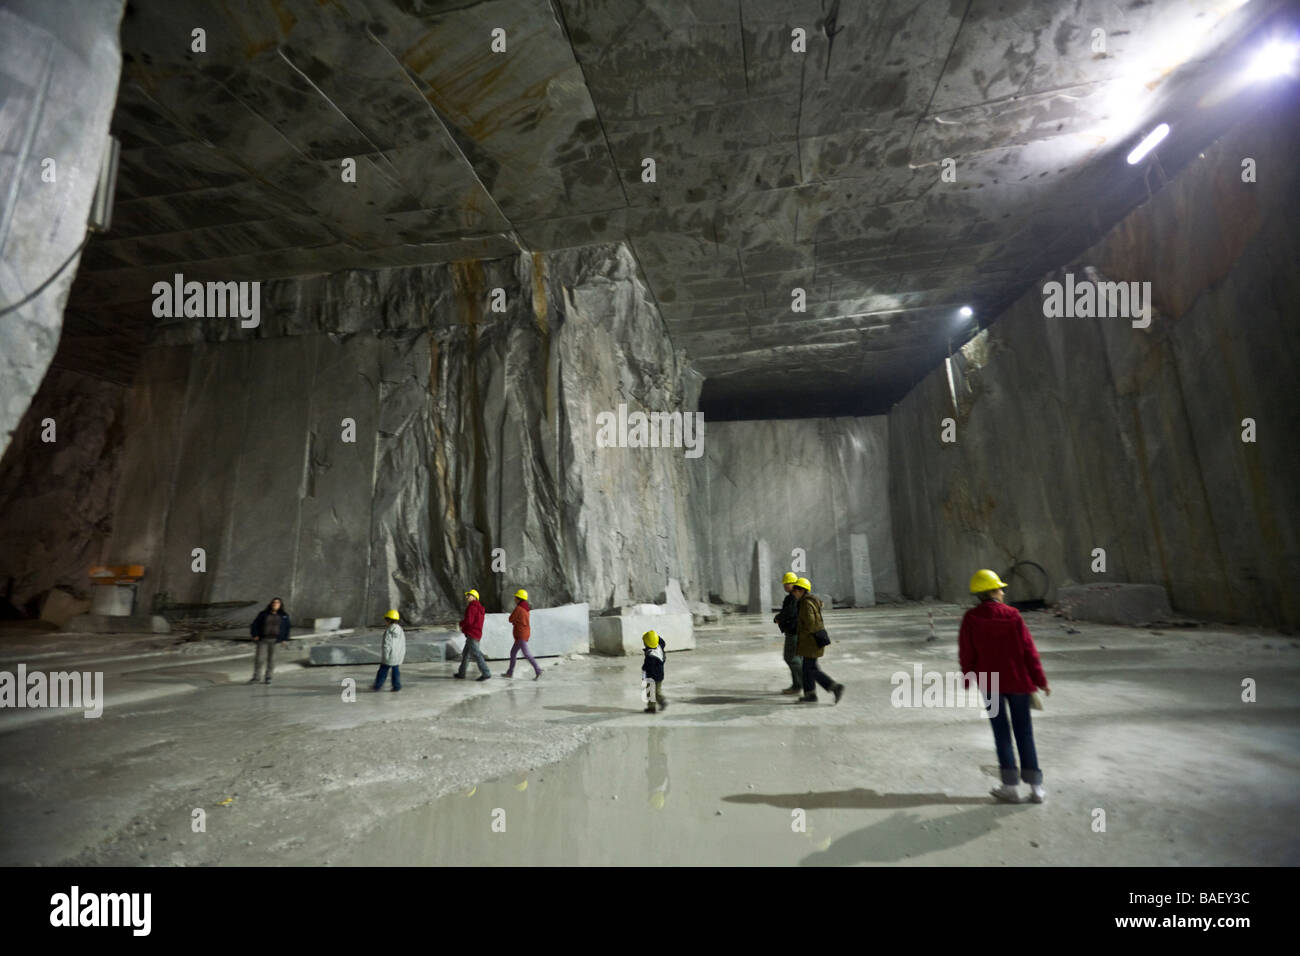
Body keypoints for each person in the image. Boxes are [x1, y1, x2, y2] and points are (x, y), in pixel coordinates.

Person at [958, 569, 1051, 804]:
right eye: (1000, 588)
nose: (1002, 592)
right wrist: (1040, 681)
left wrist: (968, 677)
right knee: (1024, 733)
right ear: (993, 591)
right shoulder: (1013, 615)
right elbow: (1029, 651)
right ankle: (1036, 788)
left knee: (1001, 734)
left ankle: (1010, 787)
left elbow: (967, 652)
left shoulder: (971, 618)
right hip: (1018, 681)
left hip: (990, 683)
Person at [793, 578, 843, 704]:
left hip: (811, 641)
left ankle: (834, 687)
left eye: (795, 590)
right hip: (813, 640)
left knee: (810, 669)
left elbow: (810, 623)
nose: (793, 592)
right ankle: (810, 695)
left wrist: (801, 633)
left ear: (801, 591)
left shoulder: (805, 603)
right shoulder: (810, 601)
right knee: (808, 668)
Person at [249, 597, 290, 684]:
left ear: (280, 605)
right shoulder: (263, 614)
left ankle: (268, 677)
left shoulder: (284, 615)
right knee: (259, 659)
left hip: (276, 640)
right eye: (274, 602)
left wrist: (284, 639)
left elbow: (287, 628)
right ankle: (256, 677)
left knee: (272, 659)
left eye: (278, 603)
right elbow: (254, 624)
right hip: (263, 639)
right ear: (271, 604)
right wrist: (255, 634)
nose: (275, 604)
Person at [453, 588, 491, 681]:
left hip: (472, 634)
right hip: (477, 634)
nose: (467, 597)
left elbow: (469, 621)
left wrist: (461, 624)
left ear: (475, 597)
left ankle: (486, 673)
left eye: (469, 595)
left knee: (477, 654)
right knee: (466, 654)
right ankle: (461, 673)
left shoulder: (472, 607)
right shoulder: (480, 608)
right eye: (467, 595)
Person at [774, 571, 802, 694]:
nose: (785, 586)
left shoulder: (792, 597)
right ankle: (797, 685)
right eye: (784, 584)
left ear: (793, 583)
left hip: (794, 632)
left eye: (787, 584)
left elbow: (789, 612)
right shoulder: (799, 595)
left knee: (791, 658)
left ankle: (801, 684)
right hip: (799, 631)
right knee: (796, 658)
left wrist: (778, 618)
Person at [503, 588, 541, 679]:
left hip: (521, 634)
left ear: (519, 598)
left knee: (526, 654)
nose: (514, 599)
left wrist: (514, 621)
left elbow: (510, 619)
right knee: (513, 652)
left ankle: (537, 669)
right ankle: (509, 672)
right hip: (524, 632)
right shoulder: (526, 608)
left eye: (515, 597)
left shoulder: (519, 608)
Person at [374, 609, 405, 692]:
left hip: (389, 656)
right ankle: (397, 686)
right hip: (397, 655)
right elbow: (402, 643)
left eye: (386, 620)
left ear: (389, 620)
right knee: (395, 671)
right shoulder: (400, 630)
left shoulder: (388, 631)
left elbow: (387, 645)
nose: (385, 622)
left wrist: (385, 656)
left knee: (382, 672)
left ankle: (377, 686)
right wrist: (401, 654)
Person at [641, 630, 668, 713]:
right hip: (660, 675)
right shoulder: (659, 646)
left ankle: (655, 705)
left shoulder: (651, 656)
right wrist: (655, 637)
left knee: (652, 693)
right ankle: (655, 705)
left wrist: (645, 677)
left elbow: (648, 668)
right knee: (656, 691)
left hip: (652, 677)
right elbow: (662, 641)